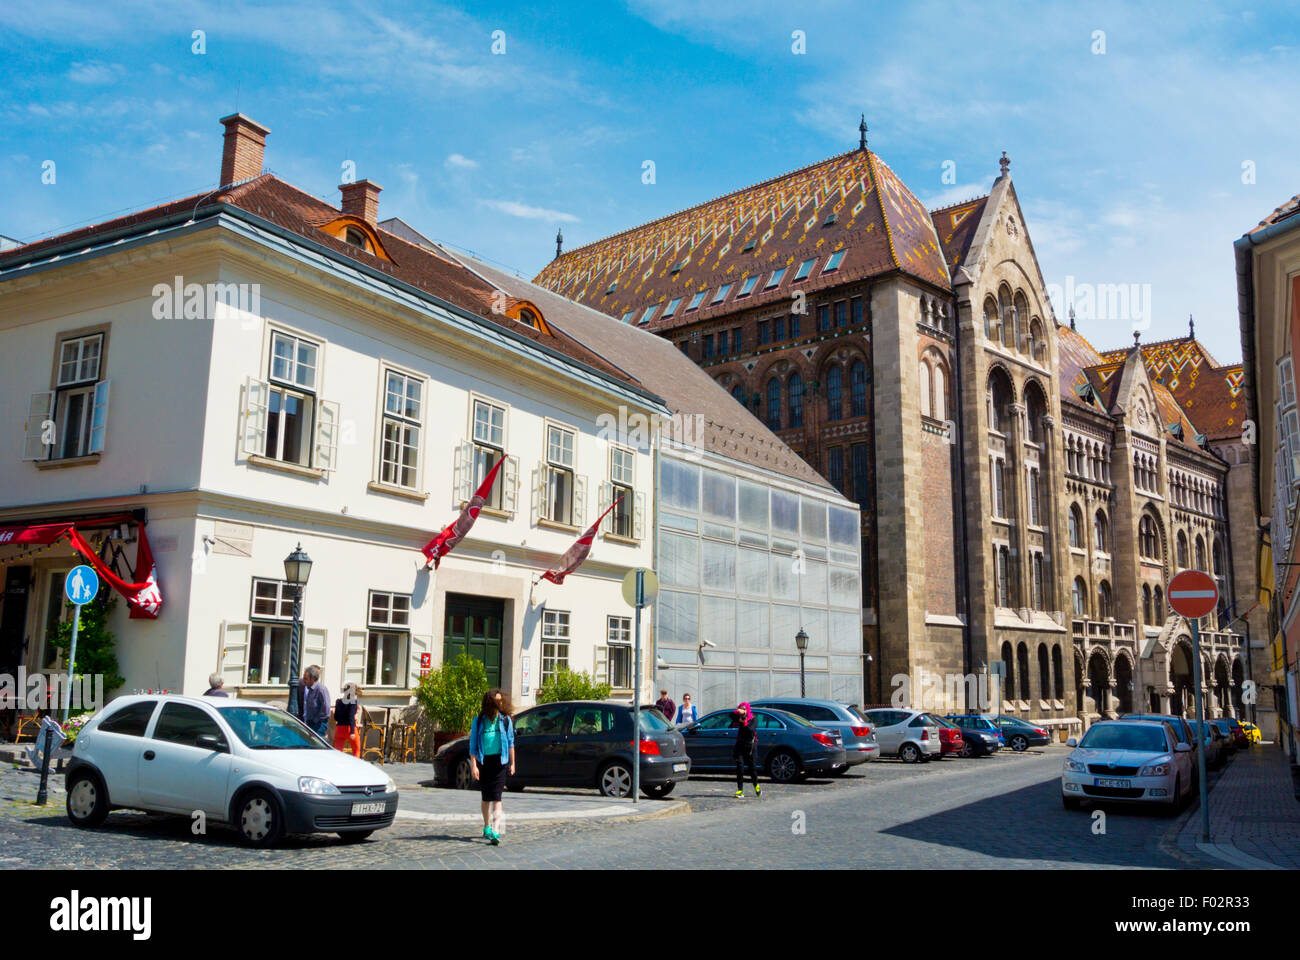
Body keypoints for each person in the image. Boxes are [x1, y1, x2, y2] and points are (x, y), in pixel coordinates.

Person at [468, 688, 515, 845]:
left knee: (497, 796)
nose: (500, 703)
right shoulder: (479, 721)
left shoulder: (505, 720)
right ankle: (487, 826)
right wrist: (474, 766)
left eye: (501, 700)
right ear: (489, 703)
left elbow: (510, 743)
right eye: (497, 700)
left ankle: (496, 830)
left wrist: (513, 763)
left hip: (500, 762)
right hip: (484, 762)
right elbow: (473, 745)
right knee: (486, 797)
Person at [731, 701, 760, 798]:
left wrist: (744, 722)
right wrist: (737, 712)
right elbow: (731, 716)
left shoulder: (753, 718)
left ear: (747, 710)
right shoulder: (739, 717)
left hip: (750, 746)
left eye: (744, 709)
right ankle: (740, 790)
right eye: (741, 708)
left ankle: (756, 785)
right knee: (740, 767)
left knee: (752, 768)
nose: (743, 711)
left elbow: (750, 730)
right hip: (740, 744)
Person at [301, 665, 331, 738]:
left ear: (313, 679)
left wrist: (315, 720)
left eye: (306, 679)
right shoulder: (310, 689)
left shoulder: (321, 689)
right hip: (310, 723)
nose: (303, 681)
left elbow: (326, 710)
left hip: (319, 724)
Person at [333, 682, 361, 757]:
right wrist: (352, 731)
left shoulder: (338, 701)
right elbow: (351, 717)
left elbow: (336, 717)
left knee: (337, 753)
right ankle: (355, 766)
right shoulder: (353, 702)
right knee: (356, 750)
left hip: (339, 728)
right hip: (349, 728)